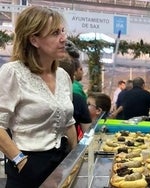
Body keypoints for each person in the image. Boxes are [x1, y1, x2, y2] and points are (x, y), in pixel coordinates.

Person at [0, 6, 77, 188]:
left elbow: (69, 122)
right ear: (34, 40)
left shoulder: (63, 76)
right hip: (29, 164)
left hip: (61, 161)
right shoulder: (13, 73)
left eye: (63, 31)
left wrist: (76, 157)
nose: (63, 39)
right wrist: (20, 161)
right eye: (54, 33)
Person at [59, 56, 91, 140]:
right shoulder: (76, 95)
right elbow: (88, 132)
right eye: (80, 69)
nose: (82, 72)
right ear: (73, 74)